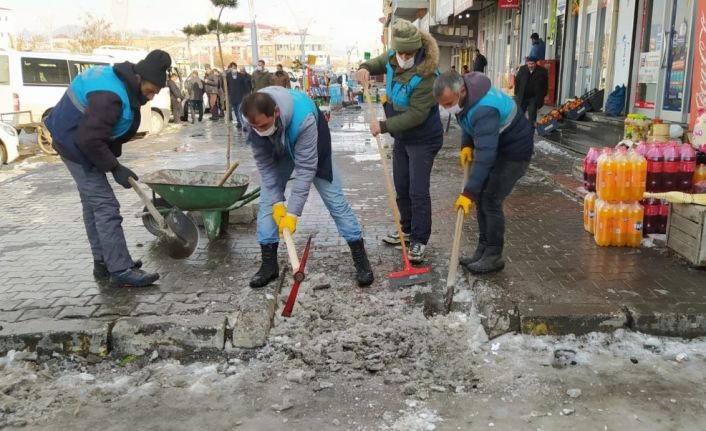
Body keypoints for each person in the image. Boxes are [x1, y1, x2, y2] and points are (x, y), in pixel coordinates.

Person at [45, 50, 171, 287]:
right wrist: (115, 168)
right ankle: (120, 269)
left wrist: (113, 164)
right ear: (139, 77)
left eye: (156, 92)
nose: (152, 97)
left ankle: (103, 262)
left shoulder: (123, 83)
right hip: (74, 144)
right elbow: (89, 140)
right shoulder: (109, 97)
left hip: (77, 140)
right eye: (151, 90)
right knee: (106, 206)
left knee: (93, 204)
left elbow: (100, 134)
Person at [240, 87, 374, 288]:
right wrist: (277, 202)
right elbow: (265, 166)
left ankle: (361, 259)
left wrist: (292, 213)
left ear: (275, 112)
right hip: (278, 150)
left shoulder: (304, 119)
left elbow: (306, 169)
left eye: (264, 125)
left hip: (312, 150)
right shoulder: (250, 119)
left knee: (335, 201)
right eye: (256, 127)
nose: (260, 130)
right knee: (268, 203)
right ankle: (268, 265)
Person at [356, 18, 442, 263]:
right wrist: (364, 67)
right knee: (402, 186)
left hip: (423, 138)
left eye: (408, 53)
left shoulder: (428, 74)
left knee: (418, 190)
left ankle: (419, 240)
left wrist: (383, 126)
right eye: (400, 52)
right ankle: (405, 230)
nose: (403, 56)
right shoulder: (394, 55)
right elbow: (379, 62)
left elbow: (416, 115)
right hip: (402, 137)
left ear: (417, 49)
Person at [432, 71, 534, 274]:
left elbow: (486, 156)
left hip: (514, 153)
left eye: (448, 103)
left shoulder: (484, 109)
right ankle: (483, 250)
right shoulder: (465, 96)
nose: (446, 109)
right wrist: (466, 145)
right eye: (442, 105)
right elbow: (467, 122)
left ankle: (494, 255)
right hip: (498, 146)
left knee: (490, 200)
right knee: (482, 198)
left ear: (461, 91)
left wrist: (467, 193)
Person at [514, 56, 548, 125]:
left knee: (532, 114)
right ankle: (518, 128)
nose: (530, 65)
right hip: (523, 96)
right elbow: (517, 81)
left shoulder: (542, 71)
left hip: (534, 97)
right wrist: (516, 93)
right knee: (519, 113)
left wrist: (543, 95)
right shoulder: (522, 69)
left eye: (532, 64)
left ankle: (531, 129)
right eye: (529, 63)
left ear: (536, 63)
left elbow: (545, 84)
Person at [225, 62, 249, 129]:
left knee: (239, 111)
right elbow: (225, 85)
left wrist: (246, 94)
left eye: (235, 68)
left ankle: (243, 124)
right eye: (232, 68)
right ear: (230, 69)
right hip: (232, 96)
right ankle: (239, 122)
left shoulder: (241, 75)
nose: (234, 69)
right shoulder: (228, 76)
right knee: (235, 111)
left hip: (240, 96)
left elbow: (246, 84)